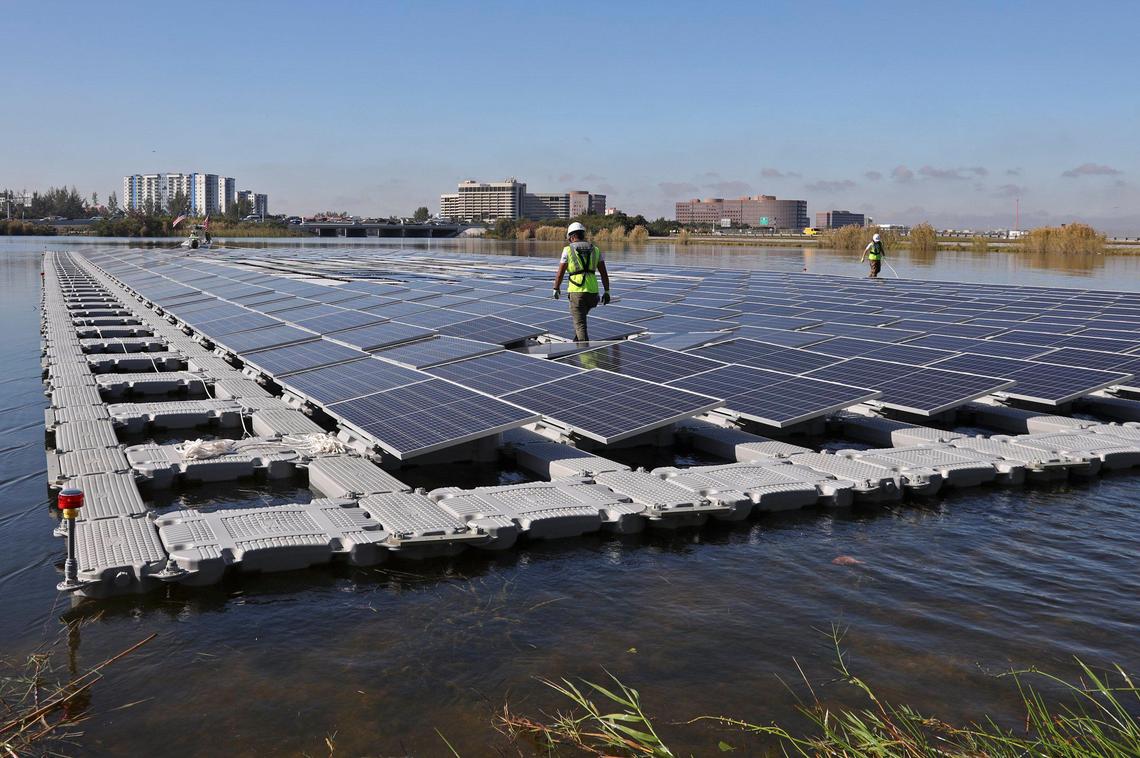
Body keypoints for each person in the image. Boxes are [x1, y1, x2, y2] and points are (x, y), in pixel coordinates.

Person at [552, 222, 611, 342]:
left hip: (577, 293)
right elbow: (604, 273)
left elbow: (560, 272)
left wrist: (556, 288)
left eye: (569, 238)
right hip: (593, 294)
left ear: (572, 236)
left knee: (580, 325)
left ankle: (587, 357)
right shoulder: (596, 250)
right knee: (579, 321)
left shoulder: (567, 250)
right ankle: (575, 346)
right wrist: (607, 291)